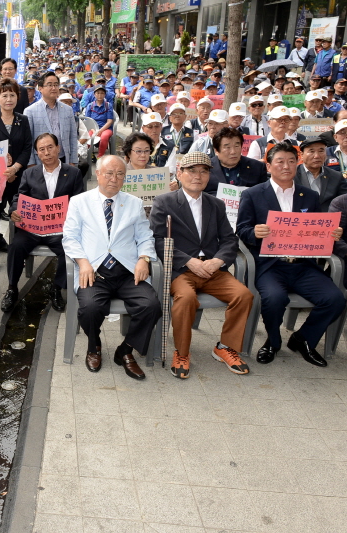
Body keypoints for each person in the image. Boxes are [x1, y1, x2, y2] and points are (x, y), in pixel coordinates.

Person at [236, 141, 346, 366]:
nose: (286, 166)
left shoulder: (309, 196)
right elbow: (242, 230)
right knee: (274, 298)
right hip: (270, 266)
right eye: (280, 162)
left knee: (334, 299)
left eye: (291, 161)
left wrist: (331, 233)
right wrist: (254, 232)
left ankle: (303, 339)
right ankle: (273, 342)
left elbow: (316, 230)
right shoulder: (253, 194)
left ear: (298, 163)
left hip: (303, 266)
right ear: (269, 166)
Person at [150, 151, 253, 378]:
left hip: (213, 270)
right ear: (180, 173)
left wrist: (218, 260)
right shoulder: (164, 202)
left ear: (209, 175)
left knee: (244, 295)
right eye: (192, 170)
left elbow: (229, 239)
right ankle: (182, 352)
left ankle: (225, 347)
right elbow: (157, 240)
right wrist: (187, 260)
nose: (198, 176)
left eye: (204, 171)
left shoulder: (216, 204)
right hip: (182, 270)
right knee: (186, 298)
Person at [62, 155, 161, 380]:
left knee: (151, 305)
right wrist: (82, 262)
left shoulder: (134, 203)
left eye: (120, 174)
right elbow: (69, 238)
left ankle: (125, 350)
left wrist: (144, 258)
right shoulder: (80, 202)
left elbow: (145, 236)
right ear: (97, 174)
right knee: (89, 308)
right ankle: (94, 345)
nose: (114, 179)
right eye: (109, 173)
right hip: (94, 271)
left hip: (127, 271)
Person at [2, 132, 84, 312]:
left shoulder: (73, 173)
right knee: (15, 246)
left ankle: (56, 288)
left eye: (50, 147)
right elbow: (19, 197)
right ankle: (12, 288)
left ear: (58, 149)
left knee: (69, 249)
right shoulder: (29, 173)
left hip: (59, 229)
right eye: (41, 149)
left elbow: (80, 203)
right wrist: (14, 210)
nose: (46, 152)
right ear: (37, 153)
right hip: (32, 229)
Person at [0, 78, 33, 273]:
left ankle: (18, 253)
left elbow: (27, 147)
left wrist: (14, 169)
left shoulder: (23, 119)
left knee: (19, 215)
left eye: (12, 95)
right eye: (4, 95)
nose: (9, 99)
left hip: (18, 177)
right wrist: (3, 170)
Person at [25, 71, 80, 169]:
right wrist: (31, 164)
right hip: (40, 162)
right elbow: (28, 141)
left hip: (63, 159)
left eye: (56, 85)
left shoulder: (67, 109)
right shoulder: (30, 111)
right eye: (49, 85)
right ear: (40, 88)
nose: (54, 88)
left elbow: (72, 137)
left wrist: (73, 161)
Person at [205, 127, 268, 194]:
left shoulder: (257, 167)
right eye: (227, 147)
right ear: (216, 151)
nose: (233, 152)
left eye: (237, 146)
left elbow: (263, 196)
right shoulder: (206, 167)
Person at [294, 136, 347, 211]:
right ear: (301, 155)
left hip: (328, 220)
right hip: (300, 220)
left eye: (321, 151)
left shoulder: (336, 176)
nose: (317, 156)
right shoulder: (292, 175)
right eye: (311, 151)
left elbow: (344, 202)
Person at [85, 84, 114, 156]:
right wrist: (94, 130)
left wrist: (100, 130)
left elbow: (110, 121)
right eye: (98, 93)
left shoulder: (108, 105)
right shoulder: (90, 106)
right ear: (94, 94)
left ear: (105, 94)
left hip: (106, 128)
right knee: (88, 136)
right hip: (93, 128)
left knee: (104, 136)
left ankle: (100, 156)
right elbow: (88, 120)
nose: (100, 95)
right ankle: (89, 154)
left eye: (102, 93)